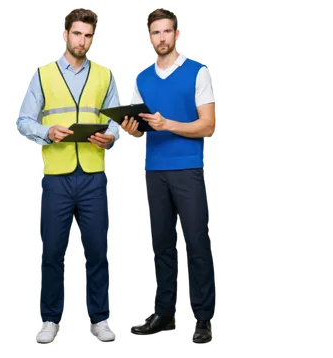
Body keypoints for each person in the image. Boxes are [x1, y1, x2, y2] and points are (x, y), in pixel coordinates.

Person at [15, 6, 122, 344]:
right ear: (65, 35)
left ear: (94, 39)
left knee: (97, 250)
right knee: (53, 250)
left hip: (93, 174)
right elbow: (23, 121)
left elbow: (117, 119)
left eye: (88, 35)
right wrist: (47, 131)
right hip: (56, 176)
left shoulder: (105, 74)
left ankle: (101, 318)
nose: (82, 40)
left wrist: (112, 136)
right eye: (76, 33)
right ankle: (49, 319)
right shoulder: (43, 74)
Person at [120, 7, 217, 344]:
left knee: (197, 245)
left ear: (177, 34)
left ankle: (203, 318)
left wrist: (168, 124)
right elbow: (138, 130)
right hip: (155, 170)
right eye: (154, 33)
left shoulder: (198, 71)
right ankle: (164, 313)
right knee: (160, 245)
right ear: (149, 38)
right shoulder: (141, 77)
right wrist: (131, 130)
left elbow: (209, 125)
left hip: (188, 169)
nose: (161, 38)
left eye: (166, 32)